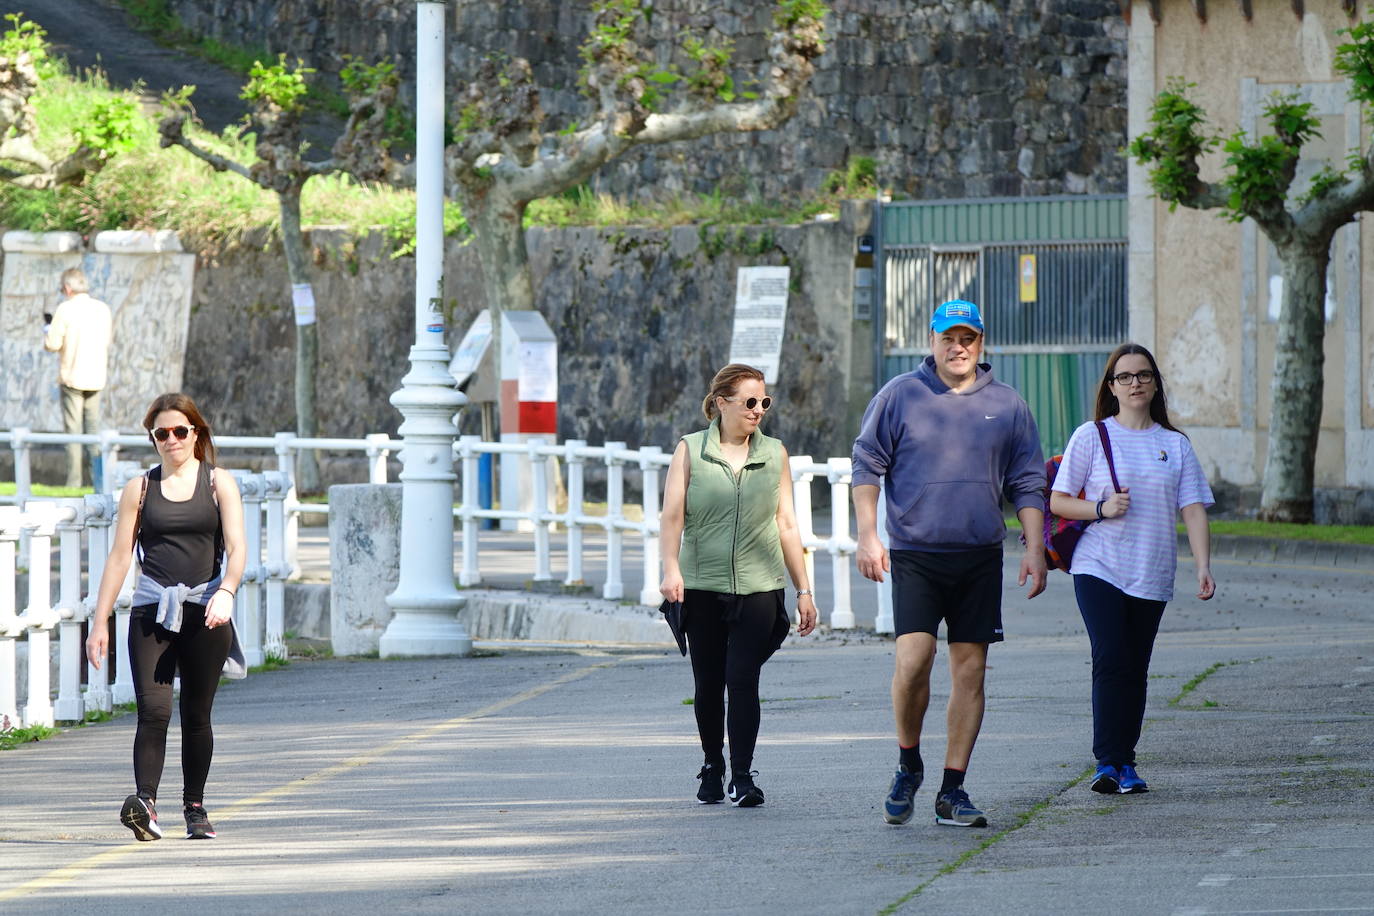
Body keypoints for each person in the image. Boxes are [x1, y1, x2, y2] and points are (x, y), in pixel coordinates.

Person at [852, 299, 1047, 829]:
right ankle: (907, 761)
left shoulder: (1008, 405)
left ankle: (952, 790)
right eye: (947, 338)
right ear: (932, 342)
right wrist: (868, 537)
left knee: (971, 670)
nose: (957, 347)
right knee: (913, 661)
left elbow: (1028, 481)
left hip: (979, 556)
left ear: (981, 344)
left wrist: (1034, 548)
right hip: (917, 554)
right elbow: (867, 464)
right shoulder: (899, 396)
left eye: (968, 338)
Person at [1049, 343, 1215, 795]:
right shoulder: (1091, 436)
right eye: (1125, 377)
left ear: (1155, 383)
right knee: (1111, 657)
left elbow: (1194, 509)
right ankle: (1108, 762)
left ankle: (1126, 761)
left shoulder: (1174, 444)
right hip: (1098, 566)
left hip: (1152, 570)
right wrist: (1101, 508)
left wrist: (1202, 566)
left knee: (1136, 666)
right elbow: (1059, 500)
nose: (1135, 383)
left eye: (1143, 375)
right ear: (1111, 386)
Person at [85, 392, 247, 841]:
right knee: (152, 713)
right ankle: (146, 807)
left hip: (206, 609)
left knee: (197, 714)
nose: (172, 439)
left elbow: (237, 549)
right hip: (151, 610)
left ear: (196, 433)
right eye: (162, 433)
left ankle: (195, 808)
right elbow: (120, 557)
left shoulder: (219, 483)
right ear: (153, 439)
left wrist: (228, 592)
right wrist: (99, 622)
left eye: (180, 430)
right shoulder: (140, 488)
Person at [659, 364, 819, 808]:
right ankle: (713, 765)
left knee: (742, 678)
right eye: (750, 401)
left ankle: (743, 777)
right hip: (702, 586)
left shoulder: (775, 453)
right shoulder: (691, 450)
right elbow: (672, 516)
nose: (758, 410)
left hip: (759, 586)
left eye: (764, 402)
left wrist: (804, 590)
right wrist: (671, 570)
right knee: (709, 682)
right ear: (722, 401)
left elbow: (787, 524)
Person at [43, 267, 113, 489]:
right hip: (96, 377)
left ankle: (73, 483)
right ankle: (98, 482)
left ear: (67, 288)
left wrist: (47, 330)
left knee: (73, 434)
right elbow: (107, 340)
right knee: (94, 433)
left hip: (72, 377)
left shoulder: (65, 309)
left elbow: (53, 344)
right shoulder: (102, 309)